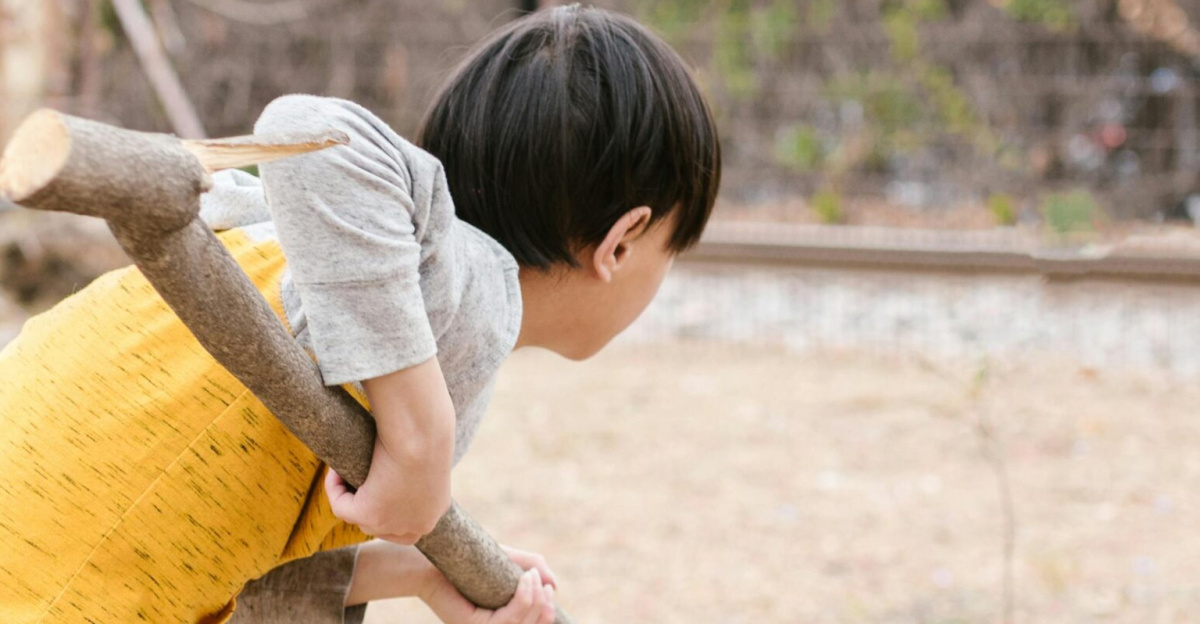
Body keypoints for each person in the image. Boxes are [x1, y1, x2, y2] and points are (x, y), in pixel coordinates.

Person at [0, 5, 720, 624]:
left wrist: (415, 570)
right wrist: (421, 437)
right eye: (673, 250)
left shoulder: (368, 287)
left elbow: (225, 541)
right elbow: (306, 129)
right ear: (622, 242)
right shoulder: (462, 285)